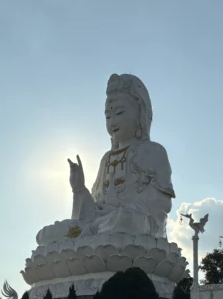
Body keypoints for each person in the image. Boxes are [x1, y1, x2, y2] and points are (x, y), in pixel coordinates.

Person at [35, 74, 175, 245]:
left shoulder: (153, 151)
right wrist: (79, 189)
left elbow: (160, 207)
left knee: (123, 220)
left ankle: (90, 241)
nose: (112, 121)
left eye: (119, 113)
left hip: (134, 225)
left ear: (141, 114)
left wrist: (120, 210)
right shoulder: (106, 159)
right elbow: (92, 209)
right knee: (46, 234)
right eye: (108, 116)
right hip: (100, 225)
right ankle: (87, 241)